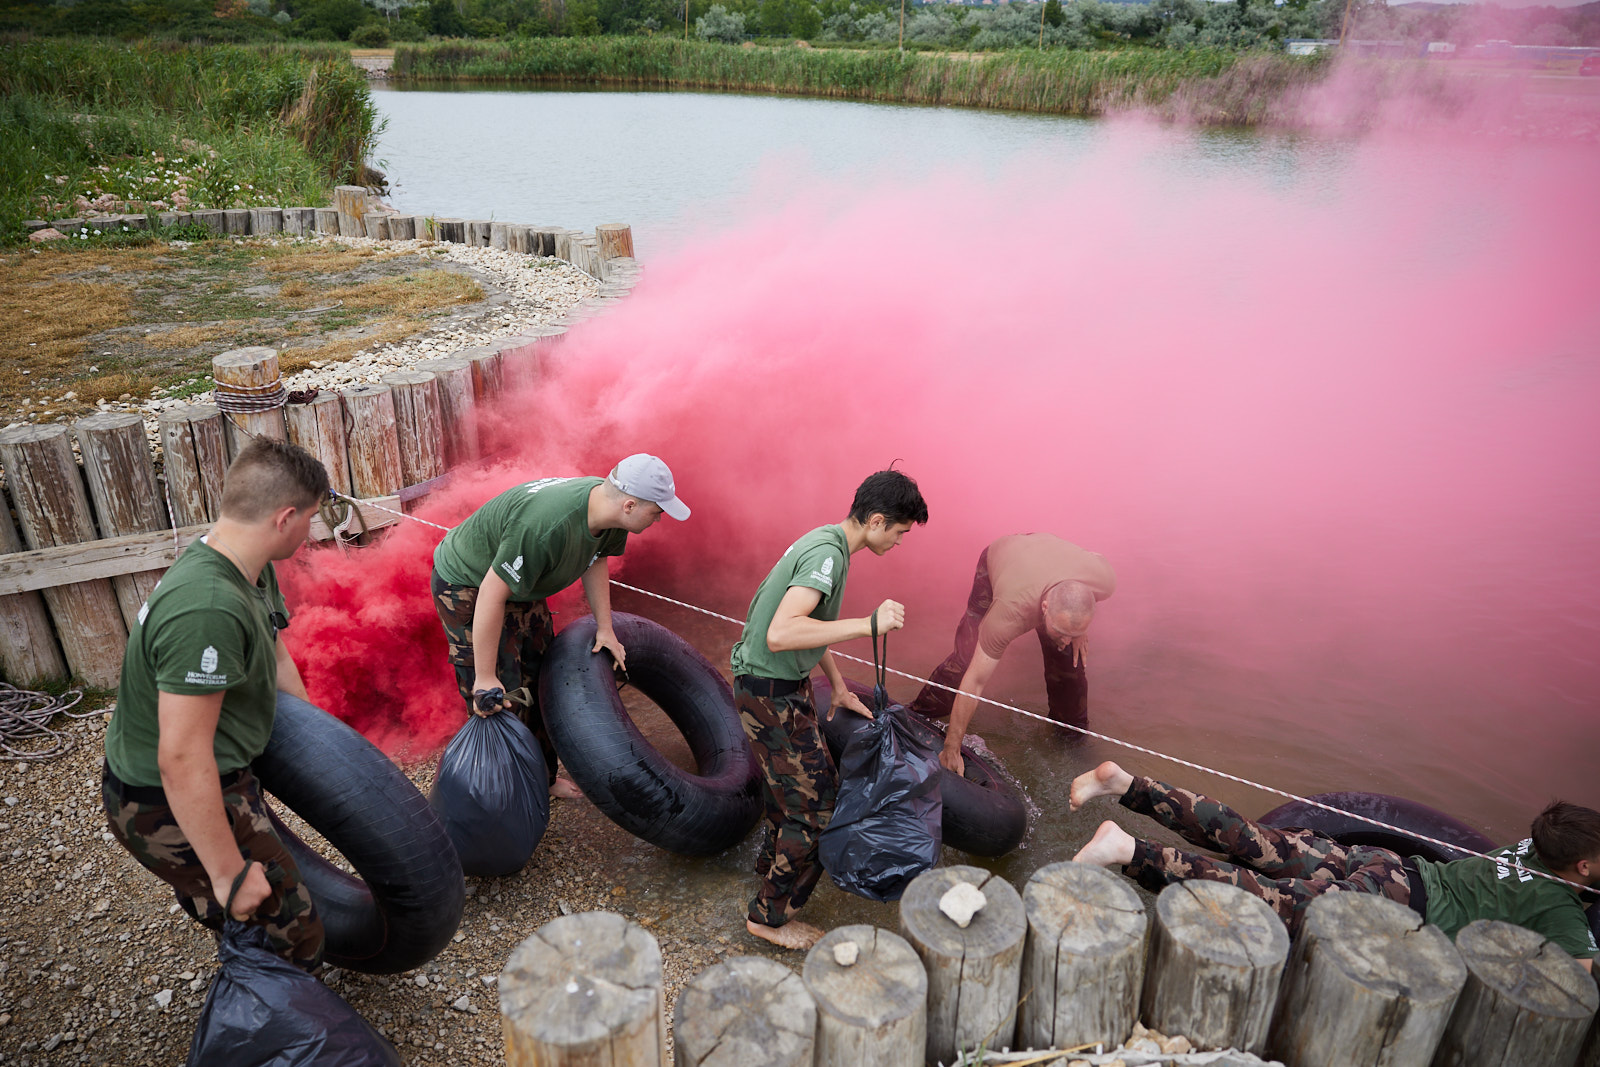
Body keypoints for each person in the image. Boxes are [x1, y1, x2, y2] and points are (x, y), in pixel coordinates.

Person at [102, 439, 331, 970]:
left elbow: (274, 660)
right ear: (285, 517)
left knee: (262, 905)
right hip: (160, 800)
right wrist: (228, 876)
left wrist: (327, 751)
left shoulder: (247, 563)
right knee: (292, 934)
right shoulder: (206, 609)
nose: (312, 532)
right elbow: (180, 758)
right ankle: (286, 1029)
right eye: (312, 518)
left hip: (212, 770)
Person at [1070, 761, 1600, 972]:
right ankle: (1127, 851)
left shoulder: (1531, 845)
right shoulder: (1560, 908)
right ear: (1581, 865)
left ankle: (1126, 785)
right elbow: (1578, 982)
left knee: (1255, 841)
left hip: (1387, 863)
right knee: (1272, 902)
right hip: (1395, 903)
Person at [730, 469, 930, 951]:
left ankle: (769, 867)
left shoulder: (830, 544)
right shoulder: (827, 555)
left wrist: (838, 687)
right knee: (817, 812)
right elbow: (782, 632)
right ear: (878, 521)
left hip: (778, 686)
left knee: (795, 795)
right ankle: (767, 917)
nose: (901, 542)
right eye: (901, 532)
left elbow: (811, 626)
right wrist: (868, 624)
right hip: (769, 693)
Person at [430, 454, 689, 797]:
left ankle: (545, 781)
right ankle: (505, 798)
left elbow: (595, 558)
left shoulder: (606, 513)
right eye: (657, 512)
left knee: (541, 677)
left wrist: (605, 627)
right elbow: (492, 593)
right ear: (629, 505)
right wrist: (485, 676)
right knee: (501, 695)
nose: (658, 520)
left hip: (518, 581)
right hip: (470, 584)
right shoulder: (546, 526)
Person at [910, 533, 1115, 775]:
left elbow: (1093, 560)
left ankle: (1070, 741)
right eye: (1061, 631)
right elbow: (975, 683)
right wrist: (952, 748)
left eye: (1073, 632)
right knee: (966, 658)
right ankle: (918, 714)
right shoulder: (1009, 613)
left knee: (1070, 662)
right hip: (1006, 558)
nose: (1066, 639)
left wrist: (1077, 630)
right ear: (1045, 609)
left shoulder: (1104, 582)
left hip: (1047, 560)